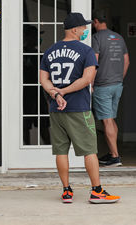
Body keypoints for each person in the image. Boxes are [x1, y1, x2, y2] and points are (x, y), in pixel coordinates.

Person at [40, 12, 120, 204]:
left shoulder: (50, 51)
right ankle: (97, 191)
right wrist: (65, 92)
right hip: (78, 108)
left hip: (56, 109)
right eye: (83, 28)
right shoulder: (86, 51)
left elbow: (44, 79)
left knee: (60, 151)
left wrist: (56, 94)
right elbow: (87, 79)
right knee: (90, 150)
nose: (86, 30)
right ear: (75, 29)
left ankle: (66, 191)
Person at [91, 10, 130, 167]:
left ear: (96, 21)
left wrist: (91, 84)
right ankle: (113, 153)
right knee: (111, 119)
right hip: (116, 85)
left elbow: (94, 62)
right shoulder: (119, 38)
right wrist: (119, 78)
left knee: (106, 121)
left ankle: (115, 156)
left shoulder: (96, 38)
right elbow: (126, 61)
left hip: (103, 85)